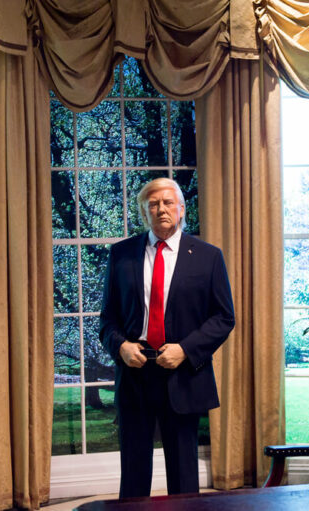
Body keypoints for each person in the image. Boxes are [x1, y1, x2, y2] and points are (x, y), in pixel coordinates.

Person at [99, 177, 235, 498]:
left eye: (168, 202)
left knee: (184, 474)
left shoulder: (208, 256)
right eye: (153, 204)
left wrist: (185, 350)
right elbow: (107, 319)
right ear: (144, 213)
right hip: (135, 373)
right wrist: (121, 347)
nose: (161, 209)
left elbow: (223, 317)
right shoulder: (121, 254)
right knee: (133, 474)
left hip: (183, 375)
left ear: (181, 209)